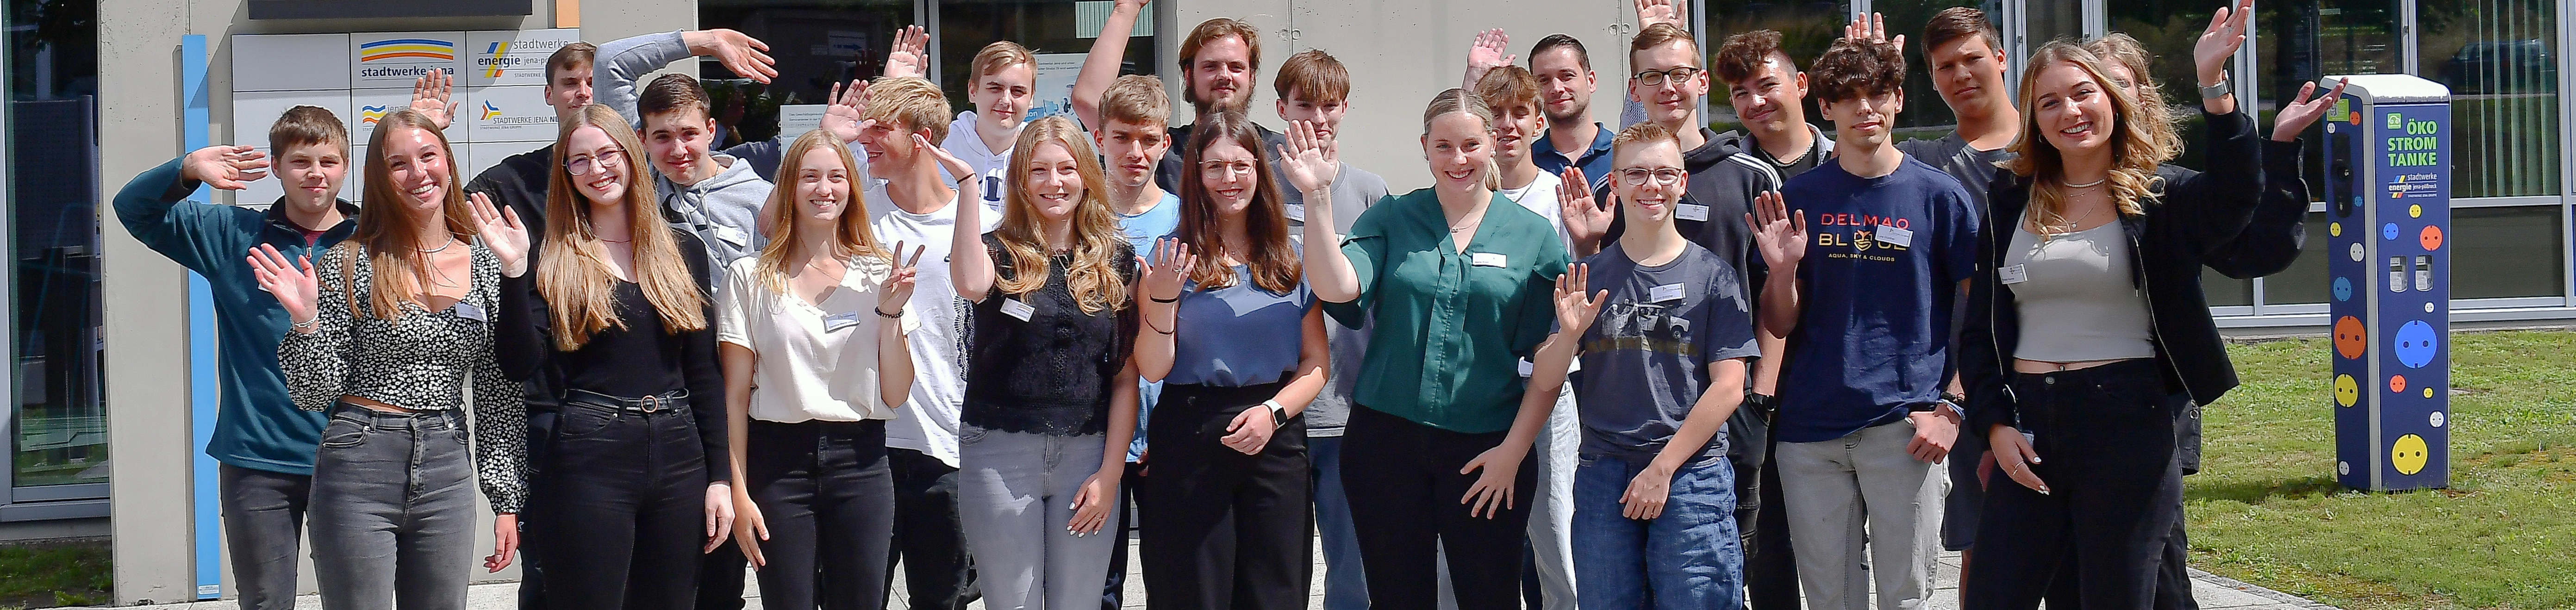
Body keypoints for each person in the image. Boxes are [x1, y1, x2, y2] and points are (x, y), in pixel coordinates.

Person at [1958, 1, 2264, 600]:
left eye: (2082, 94)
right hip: (2030, 425)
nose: (2069, 111)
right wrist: (1994, 423)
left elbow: (2236, 197)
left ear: (2111, 101)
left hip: (2129, 421)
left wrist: (2214, 86)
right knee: (1994, 594)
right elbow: (1981, 327)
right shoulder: (2010, 195)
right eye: (2049, 102)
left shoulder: (2160, 193)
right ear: (2034, 120)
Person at [1296, 89, 1572, 610]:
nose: (1459, 159)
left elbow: (1547, 358)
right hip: (1386, 444)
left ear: (1492, 143)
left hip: (1488, 448)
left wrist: (1514, 452)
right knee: (1398, 596)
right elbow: (1339, 288)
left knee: (1489, 594)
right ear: (1425, 147)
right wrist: (1317, 199)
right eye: (1444, 146)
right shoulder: (1394, 218)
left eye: (1471, 144)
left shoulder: (1533, 236)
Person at [250, 107, 526, 610]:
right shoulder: (350, 260)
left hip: (447, 462)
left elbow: (497, 388)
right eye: (398, 164)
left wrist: (505, 498)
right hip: (360, 459)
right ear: (380, 177)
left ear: (449, 160)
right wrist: (307, 321)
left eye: (428, 156)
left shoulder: (488, 258)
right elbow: (313, 394)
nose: (418, 173)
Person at [1749, 37, 1975, 610]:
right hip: (1810, 431)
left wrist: (1952, 407)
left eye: (1877, 94)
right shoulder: (1796, 197)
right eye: (1846, 98)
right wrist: (1782, 271)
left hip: (1906, 428)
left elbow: (1981, 317)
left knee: (1904, 597)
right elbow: (1778, 321)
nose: (1864, 108)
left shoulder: (1940, 197)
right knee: (1830, 599)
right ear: (1825, 108)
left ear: (1898, 100)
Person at [476, 103, 727, 610]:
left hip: (680, 452)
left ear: (632, 156)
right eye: (580, 161)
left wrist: (720, 476)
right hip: (590, 451)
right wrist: (513, 272)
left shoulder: (683, 250)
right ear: (566, 174)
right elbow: (520, 364)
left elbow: (704, 374)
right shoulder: (553, 256)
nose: (598, 170)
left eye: (607, 154)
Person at [112, 106, 358, 610]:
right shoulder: (233, 236)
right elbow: (133, 210)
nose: (316, 173)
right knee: (266, 601)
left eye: (329, 161)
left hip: (353, 457)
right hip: (258, 460)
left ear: (347, 165)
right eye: (301, 161)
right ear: (275, 166)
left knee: (358, 600)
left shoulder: (374, 241)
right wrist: (186, 170)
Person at [1534, 121, 1759, 610]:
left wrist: (1662, 468)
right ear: (1613, 184)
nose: (1650, 185)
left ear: (1682, 183)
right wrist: (1569, 334)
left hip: (1691, 473)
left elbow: (1730, 387)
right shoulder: (1588, 275)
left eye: (1663, 173)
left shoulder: (1713, 276)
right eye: (1635, 174)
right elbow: (1547, 380)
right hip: (1603, 472)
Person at [717, 129, 923, 610]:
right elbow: (734, 398)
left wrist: (891, 312)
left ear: (852, 188)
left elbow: (895, 393)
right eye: (810, 177)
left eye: (836, 177)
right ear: (789, 186)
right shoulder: (748, 277)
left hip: (862, 462)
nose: (823, 189)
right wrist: (740, 494)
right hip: (777, 463)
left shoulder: (879, 273)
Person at [1131, 109, 1329, 610]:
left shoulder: (1291, 256)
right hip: (1191, 430)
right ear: (1197, 175)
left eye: (1240, 165)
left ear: (1259, 172)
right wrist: (1162, 300)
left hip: (1276, 433)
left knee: (1276, 591)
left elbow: (1316, 364)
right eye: (1215, 166)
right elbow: (1152, 368)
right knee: (1192, 592)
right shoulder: (1168, 256)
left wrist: (1274, 413)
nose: (1229, 179)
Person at [946, 113, 1141, 610]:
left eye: (1066, 169)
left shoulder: (1115, 260)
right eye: (1039, 171)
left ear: (1086, 177)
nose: (1054, 183)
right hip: (998, 452)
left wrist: (1111, 474)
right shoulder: (998, 251)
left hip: (1087, 455)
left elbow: (1124, 377)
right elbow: (970, 283)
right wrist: (969, 186)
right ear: (1021, 181)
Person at [1255, 48, 1394, 610]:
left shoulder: (1369, 191)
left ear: (1345, 109)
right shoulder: (1252, 187)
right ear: (1281, 107)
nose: (1317, 117)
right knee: (1277, 566)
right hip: (1273, 407)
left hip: (1352, 410)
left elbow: (1387, 300)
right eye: (1304, 104)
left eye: (1330, 106)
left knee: (1354, 569)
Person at [861, 75, 998, 610]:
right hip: (867, 444)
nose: (866, 138)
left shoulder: (987, 222)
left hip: (950, 449)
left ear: (922, 138)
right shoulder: (854, 216)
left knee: (942, 600)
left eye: (881, 128)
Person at [1710, 27, 1831, 610]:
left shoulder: (1845, 163)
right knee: (1767, 540)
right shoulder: (1731, 171)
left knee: (1838, 539)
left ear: (1801, 84)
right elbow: (1656, 138)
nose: (1755, 102)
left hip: (1834, 379)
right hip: (1759, 389)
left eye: (1766, 86)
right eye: (1740, 93)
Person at [1468, 62, 1578, 610]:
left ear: (1539, 122)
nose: (1507, 126)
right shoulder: (1460, 198)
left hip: (1549, 390)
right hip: (1477, 394)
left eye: (1519, 113)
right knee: (1476, 537)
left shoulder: (1562, 197)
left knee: (1557, 533)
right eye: (1495, 115)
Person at [1091, 72, 1180, 610]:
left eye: (1148, 139)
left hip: (1167, 430)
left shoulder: (1186, 217)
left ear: (1165, 143)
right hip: (1091, 429)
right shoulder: (1075, 216)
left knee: (1173, 578)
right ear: (1099, 139)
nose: (1135, 151)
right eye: (1122, 137)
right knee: (1098, 583)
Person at [1072, 1, 1285, 193]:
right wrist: (1128, 8)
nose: (1225, 76)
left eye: (1236, 67)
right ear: (1189, 75)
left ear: (1252, 77)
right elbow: (1090, 101)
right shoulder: (1162, 152)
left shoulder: (1281, 153)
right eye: (1211, 67)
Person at [942, 39, 1038, 213]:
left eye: (1018, 91)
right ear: (973, 91)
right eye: (995, 88)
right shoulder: (940, 145)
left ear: (1031, 99)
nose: (1006, 100)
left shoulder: (1042, 150)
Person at [1523, 34, 1616, 188]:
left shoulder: (1624, 155)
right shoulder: (1527, 163)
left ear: (1591, 81)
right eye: (1544, 80)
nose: (1556, 88)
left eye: (1566, 76)